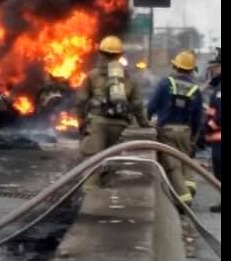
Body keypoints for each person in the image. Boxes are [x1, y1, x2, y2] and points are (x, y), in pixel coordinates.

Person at [74, 36, 150, 188]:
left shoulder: (92, 75)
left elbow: (81, 101)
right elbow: (137, 105)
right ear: (120, 55)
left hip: (97, 125)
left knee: (92, 164)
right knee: (111, 162)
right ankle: (108, 195)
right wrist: (145, 124)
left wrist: (81, 122)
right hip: (119, 125)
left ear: (100, 53)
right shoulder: (129, 78)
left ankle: (91, 198)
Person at [147, 50, 203, 206]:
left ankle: (184, 200)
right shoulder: (195, 89)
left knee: (173, 166)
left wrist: (146, 121)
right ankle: (190, 186)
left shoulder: (165, 83)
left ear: (175, 66)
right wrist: (193, 138)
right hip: (186, 131)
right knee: (186, 161)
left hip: (167, 131)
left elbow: (152, 106)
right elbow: (198, 118)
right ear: (192, 69)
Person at [204, 50, 221, 212]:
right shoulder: (217, 88)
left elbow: (219, 116)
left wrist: (209, 126)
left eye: (215, 67)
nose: (213, 71)